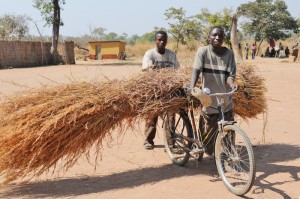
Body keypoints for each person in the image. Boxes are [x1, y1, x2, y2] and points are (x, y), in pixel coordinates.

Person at [189, 26, 237, 156]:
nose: (217, 38)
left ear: (223, 39)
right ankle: (207, 147)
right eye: (214, 35)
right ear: (209, 37)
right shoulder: (203, 52)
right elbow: (196, 70)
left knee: (229, 132)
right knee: (208, 148)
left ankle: (229, 158)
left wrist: (232, 84)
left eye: (220, 36)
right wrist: (191, 87)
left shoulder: (229, 54)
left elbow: (230, 76)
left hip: (224, 100)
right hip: (208, 100)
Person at [141, 30, 180, 150]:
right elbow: (148, 71)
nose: (162, 42)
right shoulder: (150, 54)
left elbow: (178, 71)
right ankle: (148, 140)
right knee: (152, 115)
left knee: (171, 116)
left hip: (169, 90)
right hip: (154, 90)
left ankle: (170, 143)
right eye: (159, 40)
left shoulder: (172, 55)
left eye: (164, 40)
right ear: (155, 41)